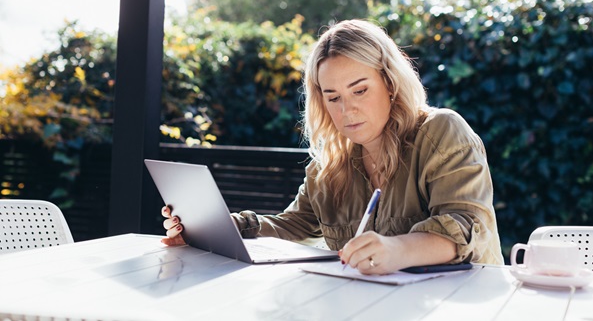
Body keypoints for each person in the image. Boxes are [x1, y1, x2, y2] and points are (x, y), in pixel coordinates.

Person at [162, 19, 504, 274]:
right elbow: (293, 226)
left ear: (390, 83)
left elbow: (463, 226)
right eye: (333, 97)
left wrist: (396, 250)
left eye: (359, 90)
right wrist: (220, 228)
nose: (347, 110)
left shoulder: (441, 131)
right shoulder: (331, 162)